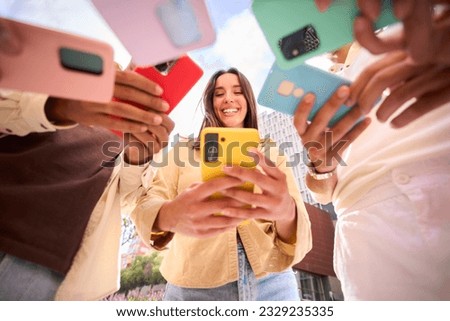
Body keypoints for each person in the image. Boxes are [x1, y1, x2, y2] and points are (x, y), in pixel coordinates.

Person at [293, 22, 450, 299]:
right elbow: (324, 194)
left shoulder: (412, 29)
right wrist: (320, 164)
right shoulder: (310, 90)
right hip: (365, 238)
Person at [131, 68, 312, 301]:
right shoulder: (182, 151)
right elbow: (147, 201)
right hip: (194, 287)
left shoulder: (270, 151)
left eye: (238, 91)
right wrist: (169, 213)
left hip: (272, 283)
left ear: (248, 101)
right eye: (219, 93)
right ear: (209, 103)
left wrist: (286, 213)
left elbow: (297, 229)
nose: (228, 98)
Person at [0, 67, 174, 300]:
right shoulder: (82, 73)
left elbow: (127, 201)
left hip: (54, 261)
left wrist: (137, 156)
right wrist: (59, 105)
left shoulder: (137, 134)